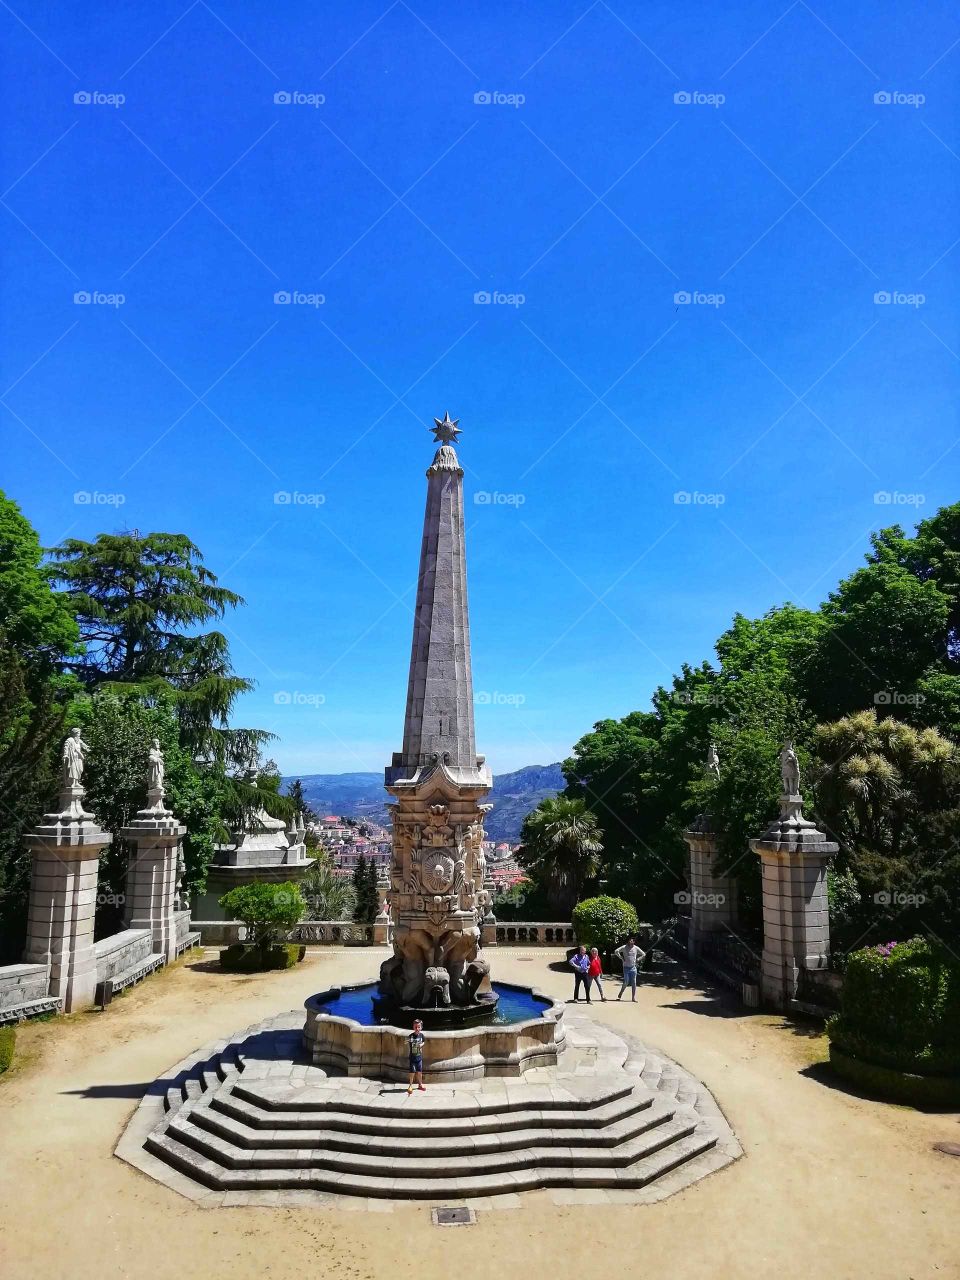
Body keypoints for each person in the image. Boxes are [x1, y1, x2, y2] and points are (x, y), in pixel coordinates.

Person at [615, 936, 645, 1002]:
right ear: (628, 941)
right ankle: (621, 992)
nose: (631, 942)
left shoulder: (636, 948)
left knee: (634, 982)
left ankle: (633, 998)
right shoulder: (624, 947)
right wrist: (621, 958)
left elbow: (643, 954)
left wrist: (639, 959)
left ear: (634, 942)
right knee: (626, 982)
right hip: (626, 968)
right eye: (630, 941)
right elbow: (616, 951)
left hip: (633, 968)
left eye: (632, 941)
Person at [407, 1018, 426, 1094]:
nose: (417, 1028)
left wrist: (421, 1044)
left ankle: (420, 1084)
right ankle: (410, 1085)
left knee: (419, 1072)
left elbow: (424, 1042)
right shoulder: (411, 1036)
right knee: (412, 1072)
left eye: (419, 1027)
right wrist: (411, 1041)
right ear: (413, 1027)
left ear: (421, 1027)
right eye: (415, 1027)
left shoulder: (422, 1035)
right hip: (412, 1058)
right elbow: (408, 1043)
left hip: (419, 1057)